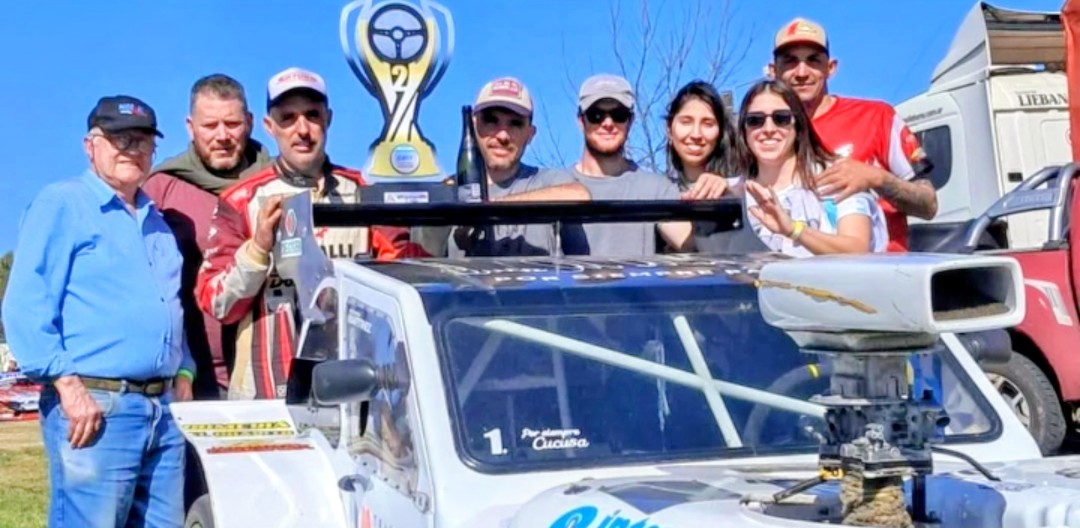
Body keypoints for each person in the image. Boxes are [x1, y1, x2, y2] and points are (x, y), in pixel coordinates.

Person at [2, 95, 192, 526]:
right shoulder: (62, 204)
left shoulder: (158, 223)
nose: (132, 149)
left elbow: (171, 307)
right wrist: (68, 387)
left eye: (142, 140)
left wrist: (184, 371)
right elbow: (26, 303)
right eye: (120, 139)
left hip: (163, 411)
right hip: (97, 406)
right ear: (91, 146)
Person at [195, 67, 426, 400]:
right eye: (288, 118)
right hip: (267, 396)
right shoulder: (240, 200)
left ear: (328, 119)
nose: (302, 130)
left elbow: (405, 280)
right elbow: (217, 304)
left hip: (354, 389)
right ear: (269, 126)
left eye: (312, 116)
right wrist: (257, 249)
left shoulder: (365, 194)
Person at [143, 74, 273, 400]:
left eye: (232, 124)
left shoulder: (277, 183)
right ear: (190, 127)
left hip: (269, 371)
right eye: (210, 125)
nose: (222, 136)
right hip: (190, 376)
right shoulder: (160, 190)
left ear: (250, 123)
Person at [769, 17, 936, 252]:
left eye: (814, 60)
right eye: (790, 61)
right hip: (795, 270)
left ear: (831, 68)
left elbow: (929, 204)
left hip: (880, 268)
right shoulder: (764, 133)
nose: (802, 72)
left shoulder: (877, 117)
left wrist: (876, 178)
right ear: (773, 71)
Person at [413, 77, 590, 257]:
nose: (503, 135)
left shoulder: (548, 181)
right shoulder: (448, 193)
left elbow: (579, 195)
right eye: (491, 120)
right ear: (473, 125)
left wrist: (486, 208)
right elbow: (422, 264)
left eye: (515, 123)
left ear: (530, 134)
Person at [734, 79, 888, 257]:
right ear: (743, 129)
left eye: (781, 118)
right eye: (755, 120)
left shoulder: (838, 178)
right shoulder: (732, 193)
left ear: (798, 125)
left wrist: (793, 229)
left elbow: (857, 249)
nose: (768, 129)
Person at [549, 74, 693, 256]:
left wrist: (721, 188)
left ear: (630, 121)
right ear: (581, 121)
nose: (608, 123)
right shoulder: (553, 186)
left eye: (619, 115)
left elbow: (691, 244)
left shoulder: (656, 189)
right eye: (596, 115)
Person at [664, 80, 756, 253]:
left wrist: (729, 190)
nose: (696, 134)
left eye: (707, 124)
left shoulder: (742, 185)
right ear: (669, 129)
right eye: (686, 122)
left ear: (720, 132)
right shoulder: (658, 190)